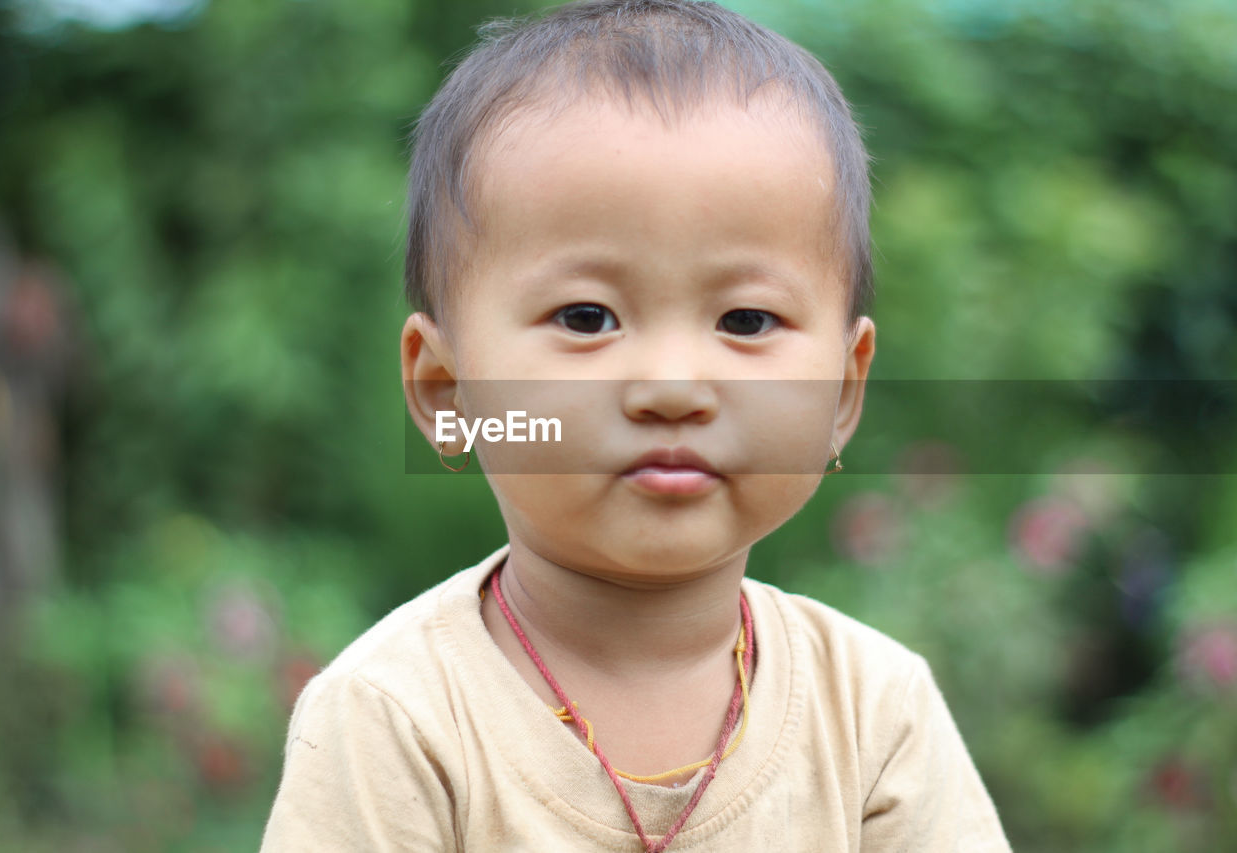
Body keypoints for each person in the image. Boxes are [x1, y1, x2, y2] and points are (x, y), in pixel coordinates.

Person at [261, 1, 1012, 850]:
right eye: (587, 316)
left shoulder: (875, 713)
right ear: (445, 392)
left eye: (747, 321)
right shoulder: (395, 717)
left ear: (842, 393)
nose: (671, 385)